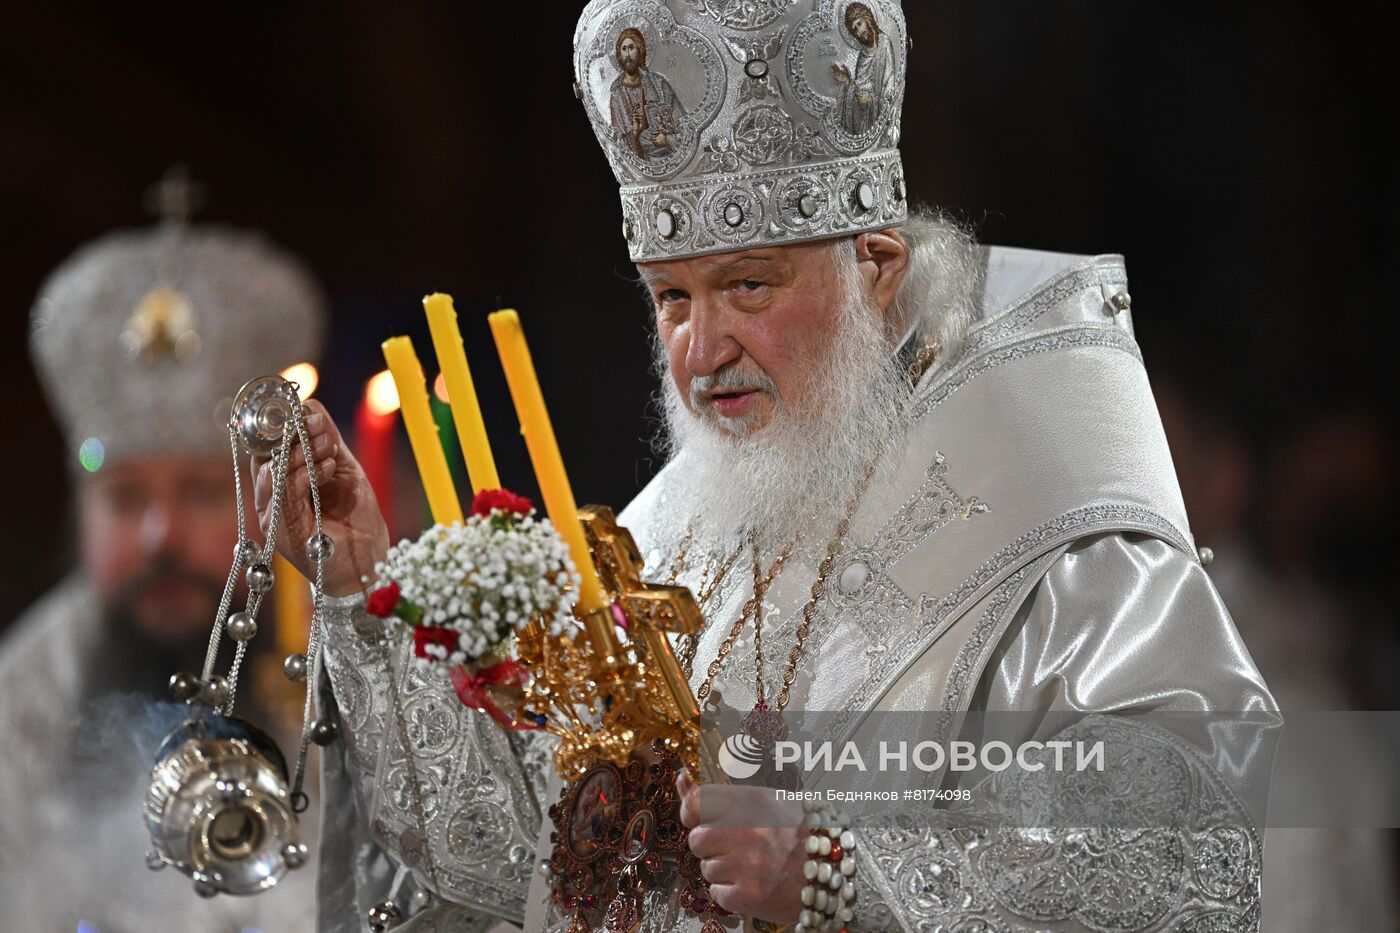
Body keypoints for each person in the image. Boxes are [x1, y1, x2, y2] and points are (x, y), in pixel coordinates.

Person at [273, 3, 1276, 931]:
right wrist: (363, 583)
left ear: (874, 268)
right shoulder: (672, 531)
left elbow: (1194, 848)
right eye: (670, 299)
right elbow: (524, 854)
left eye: (745, 285)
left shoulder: (1044, 493)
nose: (700, 349)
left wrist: (834, 873)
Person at [0, 176, 326, 933]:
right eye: (123, 498)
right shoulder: (19, 703)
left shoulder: (346, 669)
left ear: (265, 493)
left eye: (204, 491)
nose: (160, 534)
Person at [609, 27, 685, 162]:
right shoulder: (617, 95)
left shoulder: (659, 85)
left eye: (631, 48)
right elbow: (618, 143)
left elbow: (683, 125)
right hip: (641, 162)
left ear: (640, 50)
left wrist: (668, 140)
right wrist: (635, 133)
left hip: (672, 157)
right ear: (619, 55)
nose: (627, 54)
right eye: (624, 49)